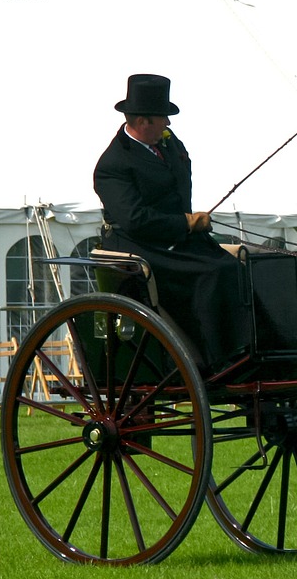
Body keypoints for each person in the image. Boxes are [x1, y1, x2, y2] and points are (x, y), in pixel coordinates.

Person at [93, 74, 242, 369]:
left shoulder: (169, 144)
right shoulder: (113, 164)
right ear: (143, 122)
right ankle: (215, 359)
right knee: (213, 272)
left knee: (235, 266)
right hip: (138, 246)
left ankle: (246, 346)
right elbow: (134, 219)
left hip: (176, 239)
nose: (168, 125)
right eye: (164, 118)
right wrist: (185, 223)